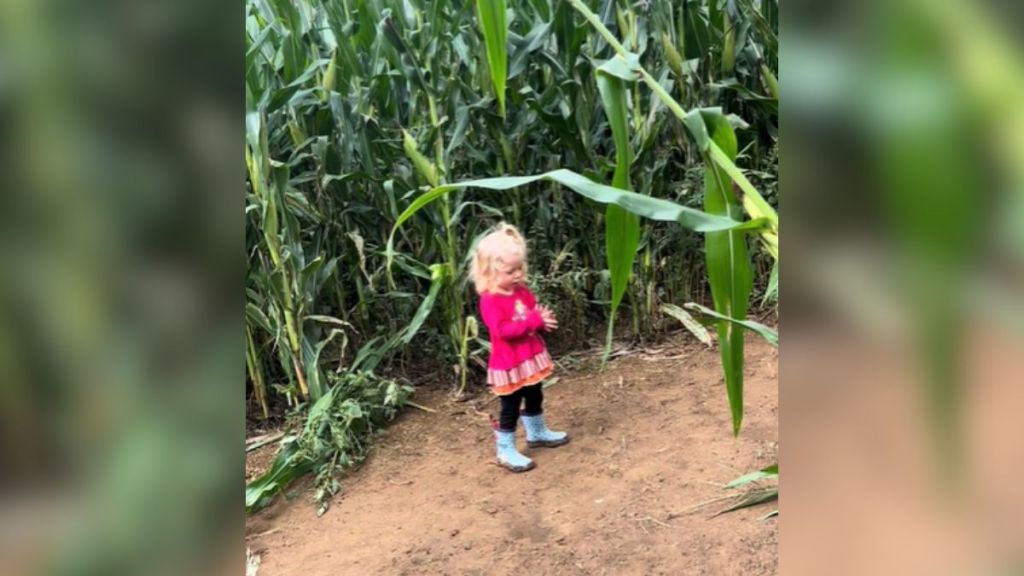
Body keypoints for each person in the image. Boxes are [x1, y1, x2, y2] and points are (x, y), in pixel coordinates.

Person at [468, 222, 569, 472]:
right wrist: (534, 321)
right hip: (509, 362)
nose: (517, 275)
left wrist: (541, 322)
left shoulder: (520, 291)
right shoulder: (490, 300)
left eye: (520, 268)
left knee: (535, 393)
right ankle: (505, 449)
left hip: (529, 356)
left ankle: (536, 433)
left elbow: (530, 314)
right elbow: (503, 331)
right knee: (510, 405)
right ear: (489, 272)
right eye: (510, 271)